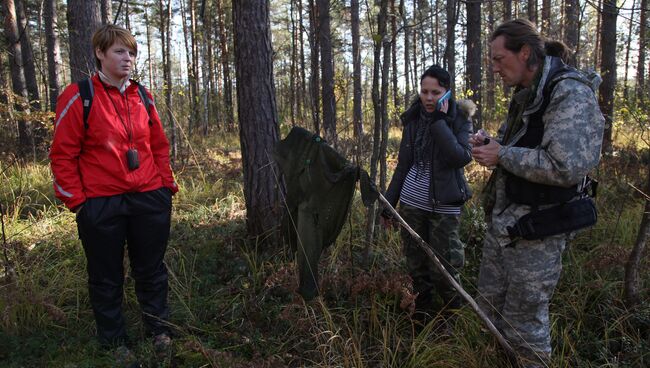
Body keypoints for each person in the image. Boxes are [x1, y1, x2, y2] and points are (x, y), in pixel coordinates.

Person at [471, 19, 604, 367]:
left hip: (538, 231)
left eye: (500, 59)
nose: (494, 67)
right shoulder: (527, 94)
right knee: (488, 312)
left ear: (525, 52)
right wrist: (493, 145)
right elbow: (517, 146)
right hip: (506, 226)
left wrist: (502, 154)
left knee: (524, 327)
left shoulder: (569, 92)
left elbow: (566, 166)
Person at [49, 24, 178, 352]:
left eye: (132, 52)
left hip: (149, 197)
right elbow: (62, 155)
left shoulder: (143, 96)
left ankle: (159, 331)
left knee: (151, 270)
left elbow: (159, 146)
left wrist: (166, 187)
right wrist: (79, 203)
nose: (128, 58)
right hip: (101, 203)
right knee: (106, 277)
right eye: (120, 51)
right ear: (99, 53)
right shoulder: (80, 96)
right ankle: (114, 341)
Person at [382, 65, 474, 322]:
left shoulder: (460, 118)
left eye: (436, 92)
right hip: (412, 204)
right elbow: (403, 165)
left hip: (445, 206)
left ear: (447, 92)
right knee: (417, 267)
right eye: (425, 92)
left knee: (444, 269)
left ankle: (452, 323)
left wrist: (439, 124)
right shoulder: (413, 118)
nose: (429, 98)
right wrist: (389, 205)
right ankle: (422, 317)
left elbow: (461, 157)